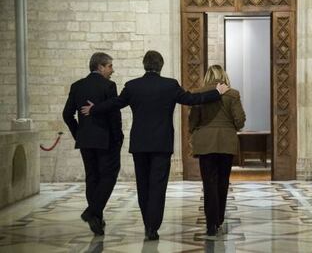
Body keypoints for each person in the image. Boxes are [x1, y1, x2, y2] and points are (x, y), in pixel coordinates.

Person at [80, 50, 230, 240]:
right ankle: (153, 227)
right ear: (161, 66)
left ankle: (147, 223)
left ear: (145, 65)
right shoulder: (170, 85)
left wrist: (94, 109)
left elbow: (115, 103)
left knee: (143, 186)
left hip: (140, 145)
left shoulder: (133, 86)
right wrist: (217, 92)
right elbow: (192, 99)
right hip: (161, 144)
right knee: (158, 187)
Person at [62, 52, 124, 236]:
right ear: (100, 67)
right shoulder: (108, 85)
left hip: (86, 140)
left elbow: (67, 115)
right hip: (106, 140)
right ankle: (92, 212)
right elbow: (114, 114)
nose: (112, 70)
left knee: (92, 177)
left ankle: (96, 220)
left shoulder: (77, 86)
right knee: (109, 175)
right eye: (110, 66)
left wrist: (78, 133)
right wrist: (117, 137)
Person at [189, 65, 245, 236]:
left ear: (207, 76)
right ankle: (219, 218)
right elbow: (240, 120)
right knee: (223, 181)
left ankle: (211, 223)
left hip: (206, 143)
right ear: (223, 75)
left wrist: (195, 131)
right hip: (226, 142)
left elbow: (192, 121)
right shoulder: (233, 94)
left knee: (209, 183)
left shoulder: (199, 93)